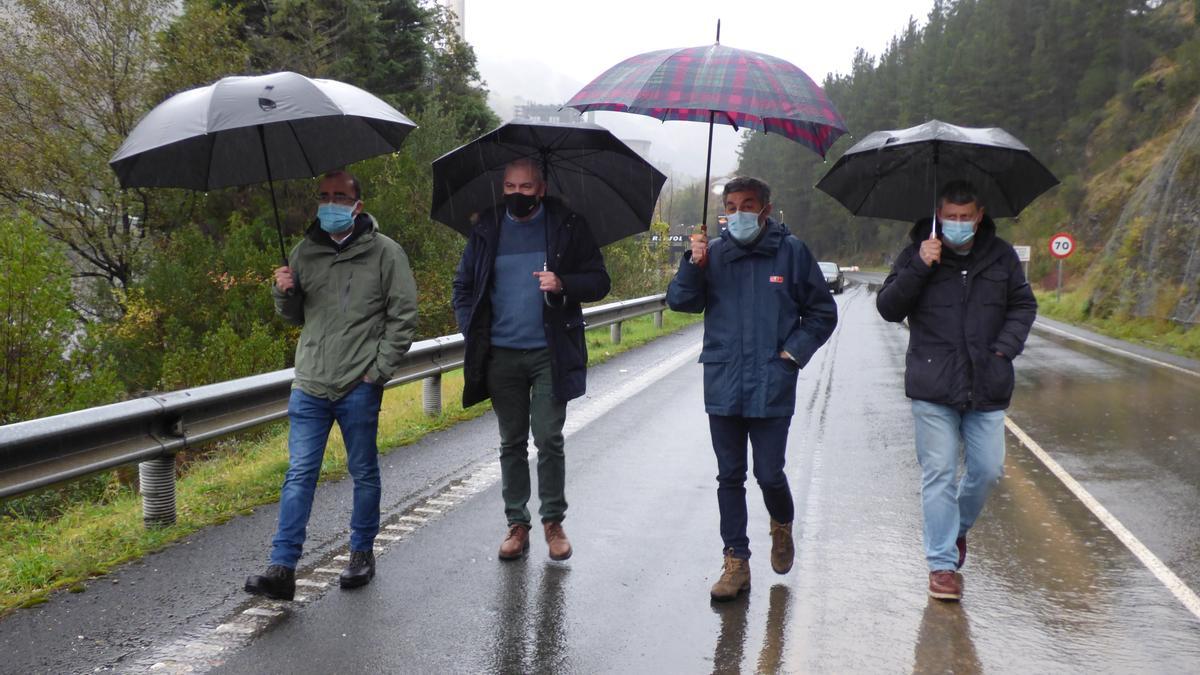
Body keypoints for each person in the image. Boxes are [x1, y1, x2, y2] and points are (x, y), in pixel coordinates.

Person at [245, 170, 418, 600]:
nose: (330, 204)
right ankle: (282, 568)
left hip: (358, 384)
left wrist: (376, 372)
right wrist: (283, 291)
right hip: (310, 383)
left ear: (357, 204)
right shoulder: (303, 252)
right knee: (299, 473)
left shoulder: (385, 254)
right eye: (323, 196)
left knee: (363, 471)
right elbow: (294, 316)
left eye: (339, 197)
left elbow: (404, 317)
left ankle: (361, 554)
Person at [667, 176, 837, 601]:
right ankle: (736, 561)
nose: (739, 213)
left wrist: (792, 355)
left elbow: (822, 312)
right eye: (731, 205)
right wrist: (693, 262)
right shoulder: (714, 254)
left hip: (771, 384)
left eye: (748, 205)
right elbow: (680, 302)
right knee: (729, 475)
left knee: (768, 473)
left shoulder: (792, 252)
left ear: (765, 209)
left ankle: (781, 524)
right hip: (723, 379)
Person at [876, 180, 1036, 602]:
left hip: (988, 383)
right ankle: (942, 566)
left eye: (966, 218)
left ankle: (955, 530)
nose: (958, 224)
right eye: (951, 217)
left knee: (987, 470)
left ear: (979, 216)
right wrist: (919, 267)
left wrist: (1004, 350)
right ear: (938, 214)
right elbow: (889, 308)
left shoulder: (1001, 257)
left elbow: (1024, 305)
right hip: (933, 385)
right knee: (940, 474)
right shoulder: (918, 253)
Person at [452, 158, 610, 562]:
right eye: (509, 187)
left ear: (541, 189)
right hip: (500, 354)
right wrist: (475, 332)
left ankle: (553, 522)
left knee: (548, 437)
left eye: (525, 187)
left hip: (549, 352)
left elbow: (599, 281)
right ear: (501, 187)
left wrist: (563, 283)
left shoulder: (568, 226)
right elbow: (464, 287)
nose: (517, 194)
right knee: (511, 441)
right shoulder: (486, 230)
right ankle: (516, 525)